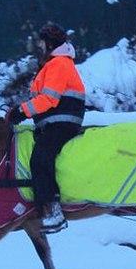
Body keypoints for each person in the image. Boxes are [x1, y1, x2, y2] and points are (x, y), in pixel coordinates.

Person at [6, 22, 86, 233]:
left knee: (41, 157)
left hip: (62, 122)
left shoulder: (59, 63)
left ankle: (54, 212)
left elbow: (49, 99)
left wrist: (21, 111)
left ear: (49, 43)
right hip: (53, 122)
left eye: (41, 42)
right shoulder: (52, 65)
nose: (39, 46)